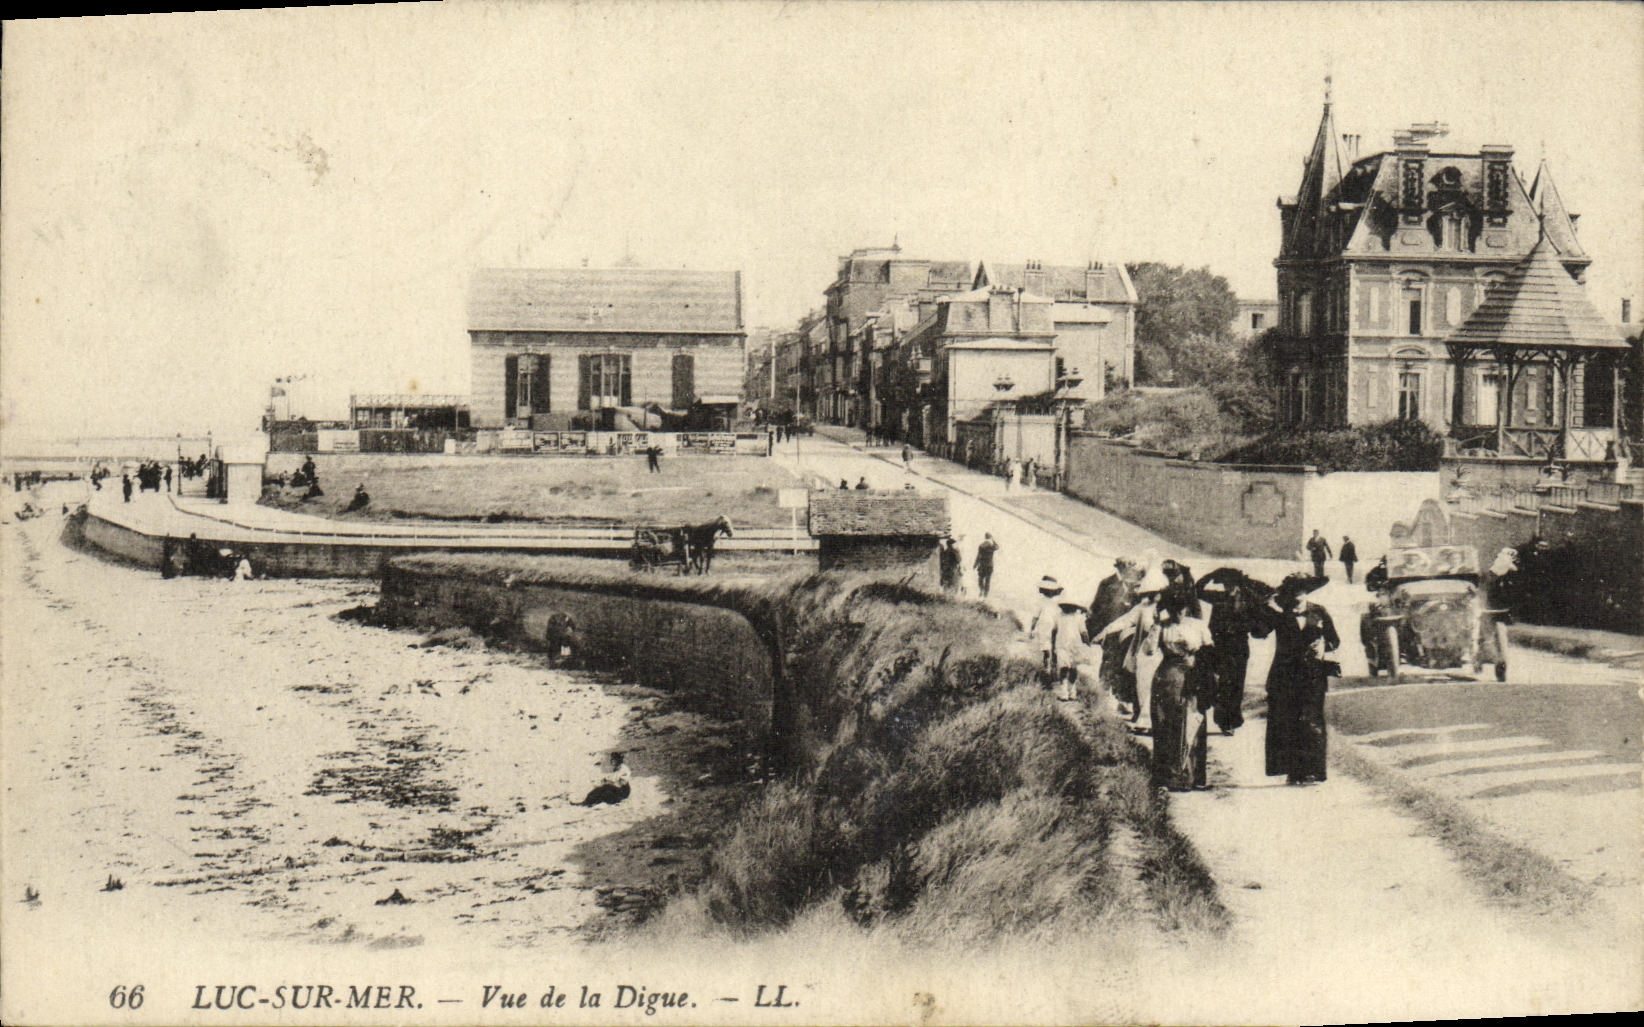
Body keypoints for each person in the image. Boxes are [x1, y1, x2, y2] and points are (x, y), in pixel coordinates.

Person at [1261, 573, 1339, 785]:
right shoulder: (1280, 614)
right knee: (1288, 721)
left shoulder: (1319, 611)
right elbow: (1259, 632)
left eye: (1302, 591)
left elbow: (1335, 640)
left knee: (1312, 721)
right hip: (1285, 675)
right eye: (1294, 592)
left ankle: (1314, 771)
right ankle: (1294, 772)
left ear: (1307, 592)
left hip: (1313, 675)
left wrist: (1322, 645)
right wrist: (1268, 606)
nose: (1298, 596)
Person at [1149, 588, 1214, 790]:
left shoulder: (1199, 626)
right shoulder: (1162, 627)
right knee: (1166, 724)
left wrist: (1201, 667)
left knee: (1193, 723)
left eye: (1181, 609)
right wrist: (1155, 627)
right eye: (1173, 609)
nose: (1178, 613)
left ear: (1187, 608)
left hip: (1193, 678)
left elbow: (1210, 650)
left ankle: (1194, 777)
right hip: (1167, 679)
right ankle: (1169, 777)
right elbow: (1149, 650)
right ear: (1167, 609)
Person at [1096, 560, 1168, 733]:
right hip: (1146, 653)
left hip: (1163, 654)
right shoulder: (1143, 608)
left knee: (1156, 689)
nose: (1153, 596)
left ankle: (1153, 723)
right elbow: (1124, 621)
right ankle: (1145, 722)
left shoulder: (1167, 610)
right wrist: (1104, 632)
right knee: (1143, 686)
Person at [1088, 557, 1141, 715]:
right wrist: (1097, 630)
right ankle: (1102, 694)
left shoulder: (1134, 585)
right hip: (1110, 630)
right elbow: (1096, 607)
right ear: (1119, 567)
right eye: (1127, 566)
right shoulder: (1107, 583)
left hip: (1126, 632)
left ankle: (1121, 700)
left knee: (1124, 664)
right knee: (1109, 661)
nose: (1130, 569)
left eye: (1132, 566)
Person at [1029, 576, 1066, 688]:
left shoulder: (1041, 602)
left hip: (1045, 627)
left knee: (1047, 651)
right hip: (1055, 627)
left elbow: (1035, 617)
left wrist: (1031, 629)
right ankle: (1053, 675)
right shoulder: (1058, 602)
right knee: (1054, 650)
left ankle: (1047, 673)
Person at [973, 533, 999, 597]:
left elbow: (978, 556)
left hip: (982, 565)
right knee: (987, 580)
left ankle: (981, 589)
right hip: (989, 565)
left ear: (985, 537)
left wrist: (975, 564)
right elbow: (997, 547)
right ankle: (985, 595)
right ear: (990, 538)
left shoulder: (981, 545)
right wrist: (993, 540)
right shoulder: (991, 546)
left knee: (980, 579)